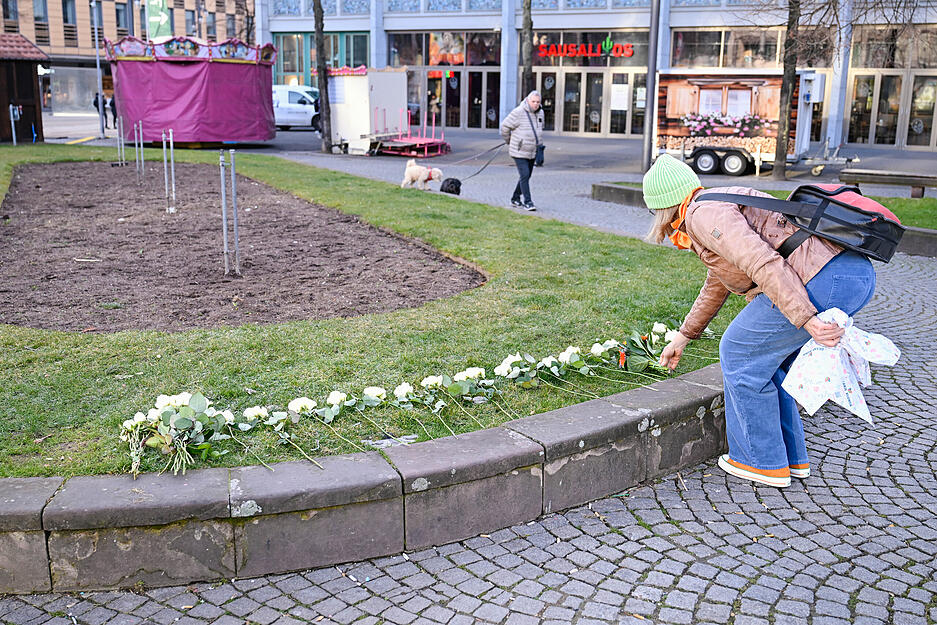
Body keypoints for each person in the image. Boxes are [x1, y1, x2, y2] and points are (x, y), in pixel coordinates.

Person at [644, 154, 876, 488]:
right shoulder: (712, 203)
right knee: (768, 359)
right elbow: (718, 281)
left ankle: (759, 461)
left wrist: (806, 319)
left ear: (662, 208)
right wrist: (683, 336)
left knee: (738, 351)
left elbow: (762, 262)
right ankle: (790, 460)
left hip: (825, 276)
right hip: (849, 273)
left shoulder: (702, 214)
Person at [500, 90, 544, 211]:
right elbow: (505, 126)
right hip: (519, 150)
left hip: (533, 150)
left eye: (538, 102)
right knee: (524, 174)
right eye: (533, 101)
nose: (535, 104)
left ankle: (515, 198)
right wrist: (509, 140)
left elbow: (540, 129)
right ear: (528, 100)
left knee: (527, 175)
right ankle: (528, 201)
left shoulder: (541, 113)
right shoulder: (518, 112)